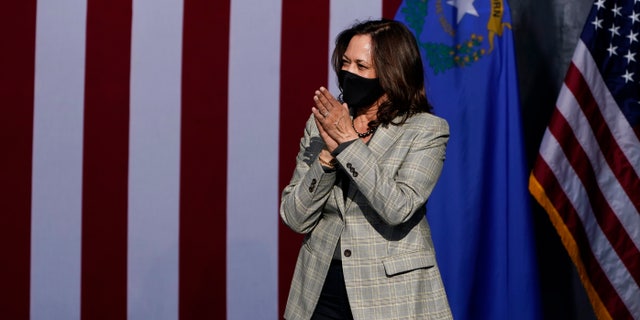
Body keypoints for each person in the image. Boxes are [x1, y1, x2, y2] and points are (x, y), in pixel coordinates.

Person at [280, 19, 452, 320]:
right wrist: (326, 160)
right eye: (346, 63)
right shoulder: (320, 126)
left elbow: (398, 208)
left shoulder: (426, 131)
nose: (349, 73)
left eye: (362, 66)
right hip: (321, 290)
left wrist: (347, 144)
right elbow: (295, 218)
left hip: (391, 295)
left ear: (391, 72)